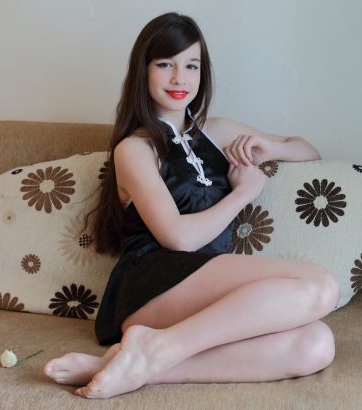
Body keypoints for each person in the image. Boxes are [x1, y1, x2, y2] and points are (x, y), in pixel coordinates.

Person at [43, 12, 339, 399]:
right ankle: (156, 347)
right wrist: (243, 193)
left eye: (191, 66)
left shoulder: (219, 132)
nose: (180, 78)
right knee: (320, 286)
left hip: (206, 289)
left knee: (316, 344)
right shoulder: (134, 149)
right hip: (153, 285)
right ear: (143, 71)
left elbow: (308, 151)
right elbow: (179, 239)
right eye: (165, 64)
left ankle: (132, 363)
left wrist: (269, 147)